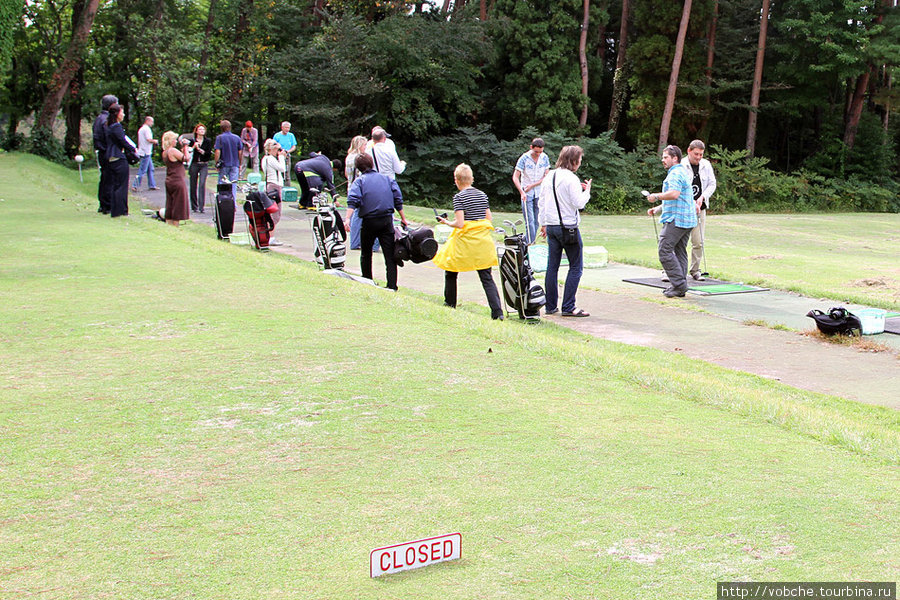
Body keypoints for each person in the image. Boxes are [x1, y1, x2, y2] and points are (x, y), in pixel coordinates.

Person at [433, 164, 504, 320]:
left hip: (465, 242)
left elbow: (459, 223)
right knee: (486, 277)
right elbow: (488, 219)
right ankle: (497, 312)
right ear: (471, 178)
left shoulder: (459, 197)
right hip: (482, 241)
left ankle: (450, 303)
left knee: (451, 271)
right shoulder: (482, 195)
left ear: (456, 180)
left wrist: (445, 222)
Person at [538, 145, 591, 317]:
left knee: (552, 267)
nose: (580, 163)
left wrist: (543, 224)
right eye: (579, 160)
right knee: (576, 266)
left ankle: (550, 305)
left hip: (552, 226)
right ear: (573, 161)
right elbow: (579, 203)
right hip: (568, 227)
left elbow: (542, 202)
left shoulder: (549, 176)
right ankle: (568, 306)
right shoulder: (571, 178)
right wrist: (587, 191)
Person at [343, 153, 407, 290]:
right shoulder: (387, 179)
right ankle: (392, 285)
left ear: (358, 168)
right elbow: (398, 199)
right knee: (389, 254)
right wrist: (403, 218)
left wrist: (347, 218)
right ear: (372, 164)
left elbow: (352, 200)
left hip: (369, 221)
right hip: (386, 220)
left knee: (366, 253)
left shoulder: (360, 181)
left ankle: (367, 280)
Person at [646, 145, 698, 298]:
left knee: (664, 250)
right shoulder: (681, 171)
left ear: (675, 158)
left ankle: (679, 285)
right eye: (663, 157)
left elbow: (674, 194)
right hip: (687, 220)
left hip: (677, 220)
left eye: (665, 157)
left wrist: (656, 196)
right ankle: (680, 286)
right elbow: (679, 197)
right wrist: (658, 208)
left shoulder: (675, 174)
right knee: (679, 251)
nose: (663, 160)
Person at [681, 139, 717, 281]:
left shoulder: (706, 165)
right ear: (689, 151)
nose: (698, 157)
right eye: (696, 154)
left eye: (701, 154)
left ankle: (695, 270)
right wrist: (690, 201)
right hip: (683, 209)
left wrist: (702, 197)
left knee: (698, 241)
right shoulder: (681, 165)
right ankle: (672, 271)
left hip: (700, 209)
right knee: (678, 241)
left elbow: (712, 184)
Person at [512, 137, 550, 244]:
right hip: (526, 193)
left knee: (538, 220)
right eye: (536, 151)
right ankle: (530, 244)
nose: (538, 154)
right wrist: (521, 191)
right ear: (531, 147)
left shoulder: (544, 158)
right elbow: (515, 177)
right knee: (530, 221)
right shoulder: (524, 158)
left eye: (540, 152)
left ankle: (532, 243)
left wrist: (533, 185)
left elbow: (546, 176)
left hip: (539, 192)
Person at [104, 103, 138, 217]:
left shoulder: (109, 125)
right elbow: (122, 141)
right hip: (118, 157)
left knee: (116, 184)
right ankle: (121, 210)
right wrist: (133, 149)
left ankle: (117, 209)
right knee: (121, 184)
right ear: (117, 114)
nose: (123, 114)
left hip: (112, 157)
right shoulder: (116, 126)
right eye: (122, 112)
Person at [92, 94, 118, 214]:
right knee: (109, 178)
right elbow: (108, 137)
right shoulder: (105, 120)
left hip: (102, 151)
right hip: (106, 152)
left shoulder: (99, 118)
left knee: (104, 178)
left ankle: (103, 204)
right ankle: (107, 205)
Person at [345, 135, 371, 250]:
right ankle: (355, 241)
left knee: (355, 213)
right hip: (358, 189)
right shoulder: (359, 158)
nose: (366, 147)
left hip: (350, 186)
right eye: (364, 145)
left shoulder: (349, 157)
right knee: (358, 215)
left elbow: (347, 174)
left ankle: (355, 240)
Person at [160, 131, 190, 227]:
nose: (176, 141)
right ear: (171, 141)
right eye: (175, 140)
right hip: (177, 180)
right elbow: (186, 158)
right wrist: (185, 146)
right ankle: (176, 225)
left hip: (169, 179)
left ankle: (168, 224)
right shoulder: (172, 151)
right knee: (178, 204)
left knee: (170, 204)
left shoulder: (165, 152)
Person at [260, 138, 287, 245]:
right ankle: (271, 237)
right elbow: (282, 168)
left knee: (271, 211)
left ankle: (269, 236)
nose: (278, 152)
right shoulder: (271, 159)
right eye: (276, 149)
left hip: (270, 185)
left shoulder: (265, 159)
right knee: (275, 213)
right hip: (274, 186)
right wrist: (281, 157)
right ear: (271, 149)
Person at [214, 120, 242, 199]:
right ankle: (233, 203)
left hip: (224, 164)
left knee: (222, 184)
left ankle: (223, 201)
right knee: (233, 184)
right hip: (234, 164)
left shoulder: (219, 138)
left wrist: (216, 163)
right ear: (230, 127)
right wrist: (239, 163)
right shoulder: (237, 138)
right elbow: (240, 152)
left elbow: (217, 151)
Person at [188, 123, 213, 213]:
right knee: (193, 184)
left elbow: (208, 153)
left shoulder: (207, 141)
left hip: (204, 164)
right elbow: (188, 151)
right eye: (200, 129)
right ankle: (194, 206)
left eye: (203, 129)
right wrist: (194, 147)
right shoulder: (192, 141)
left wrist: (200, 150)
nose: (202, 131)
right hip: (194, 164)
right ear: (196, 131)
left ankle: (201, 206)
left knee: (202, 184)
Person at [132, 116, 159, 191]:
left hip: (146, 151)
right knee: (142, 170)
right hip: (145, 152)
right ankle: (135, 185)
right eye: (151, 122)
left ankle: (152, 184)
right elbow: (148, 139)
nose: (152, 124)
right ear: (148, 121)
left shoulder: (141, 129)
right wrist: (155, 141)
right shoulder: (146, 129)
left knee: (151, 169)